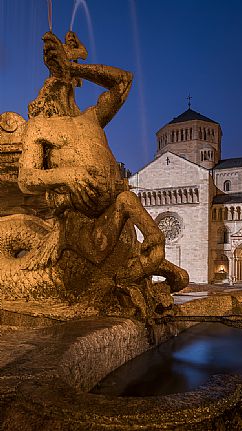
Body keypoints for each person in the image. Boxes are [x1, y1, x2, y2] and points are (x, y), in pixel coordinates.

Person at [18, 32, 188, 290]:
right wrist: (68, 175)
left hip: (115, 210)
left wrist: (74, 66)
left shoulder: (91, 118)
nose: (58, 85)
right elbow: (27, 178)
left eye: (64, 80)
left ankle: (146, 253)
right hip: (81, 221)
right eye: (52, 83)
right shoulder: (39, 127)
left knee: (127, 200)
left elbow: (123, 81)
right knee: (123, 206)